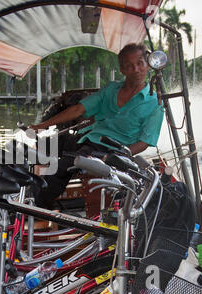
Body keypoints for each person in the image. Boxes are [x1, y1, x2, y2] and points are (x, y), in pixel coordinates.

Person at [30, 43, 164, 209]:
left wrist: (115, 158)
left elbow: (143, 143)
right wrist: (41, 125)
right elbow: (78, 109)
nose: (136, 69)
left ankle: (38, 207)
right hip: (87, 137)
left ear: (148, 65)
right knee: (41, 146)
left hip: (109, 150)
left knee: (65, 165)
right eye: (129, 66)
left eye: (140, 63)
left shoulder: (155, 103)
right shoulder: (110, 90)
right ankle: (27, 188)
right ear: (122, 69)